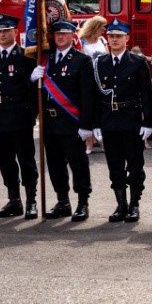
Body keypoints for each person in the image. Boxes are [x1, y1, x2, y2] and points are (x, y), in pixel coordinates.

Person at [31, 19, 96, 222]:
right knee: (55, 164)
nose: (60, 37)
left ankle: (82, 202)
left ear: (72, 36)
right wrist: (32, 80)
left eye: (64, 34)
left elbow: (88, 96)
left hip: (71, 122)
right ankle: (62, 201)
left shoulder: (81, 60)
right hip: (49, 123)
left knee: (78, 164)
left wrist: (86, 125)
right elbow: (39, 94)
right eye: (57, 33)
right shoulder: (45, 59)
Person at [92, 20, 152, 223]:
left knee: (135, 165)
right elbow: (95, 97)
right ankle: (121, 205)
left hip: (131, 120)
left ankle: (134, 204)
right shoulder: (100, 63)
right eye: (111, 36)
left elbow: (146, 94)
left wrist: (148, 122)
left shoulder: (137, 62)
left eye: (118, 36)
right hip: (109, 121)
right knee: (115, 165)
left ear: (127, 38)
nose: (114, 39)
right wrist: (95, 124)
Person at [0, 13, 39, 219]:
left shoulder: (26, 56)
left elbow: (34, 93)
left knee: (26, 160)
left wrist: (31, 112)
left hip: (19, 115)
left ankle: (31, 201)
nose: (2, 34)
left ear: (15, 32)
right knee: (5, 161)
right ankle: (14, 200)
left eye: (6, 31)